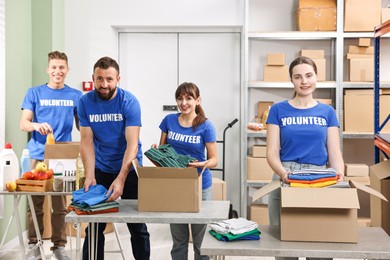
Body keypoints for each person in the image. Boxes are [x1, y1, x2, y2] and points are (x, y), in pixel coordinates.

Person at [266, 56, 345, 260]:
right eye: (298, 77)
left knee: (319, 247)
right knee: (284, 249)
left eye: (309, 75)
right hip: (286, 177)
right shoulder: (278, 110)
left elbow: (335, 152)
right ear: (291, 80)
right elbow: (272, 152)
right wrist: (284, 174)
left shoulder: (327, 112)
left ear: (317, 77)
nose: (304, 81)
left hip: (319, 179)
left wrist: (339, 175)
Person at [77, 56, 150, 260]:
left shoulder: (129, 102)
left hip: (130, 167)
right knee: (94, 226)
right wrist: (90, 175)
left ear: (118, 78)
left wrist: (121, 178)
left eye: (109, 79)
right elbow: (86, 141)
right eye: (100, 79)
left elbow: (132, 144)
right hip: (101, 168)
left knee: (137, 226)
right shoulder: (84, 102)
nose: (104, 84)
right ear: (93, 78)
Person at [20, 51, 82, 260]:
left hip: (62, 156)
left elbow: (82, 126)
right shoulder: (34, 93)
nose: (57, 71)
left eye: (61, 67)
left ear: (67, 70)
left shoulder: (75, 96)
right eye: (54, 67)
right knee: (35, 203)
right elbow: (23, 123)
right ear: (48, 69)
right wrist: (36, 125)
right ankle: (34, 244)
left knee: (59, 203)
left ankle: (59, 246)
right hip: (37, 155)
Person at [153, 82, 218, 260]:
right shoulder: (169, 121)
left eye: (188, 98)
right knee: (179, 241)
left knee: (200, 242)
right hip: (176, 186)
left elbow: (214, 159)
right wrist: (156, 152)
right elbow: (163, 149)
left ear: (198, 100)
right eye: (180, 98)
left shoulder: (206, 125)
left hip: (199, 186)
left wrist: (201, 164)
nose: (183, 102)